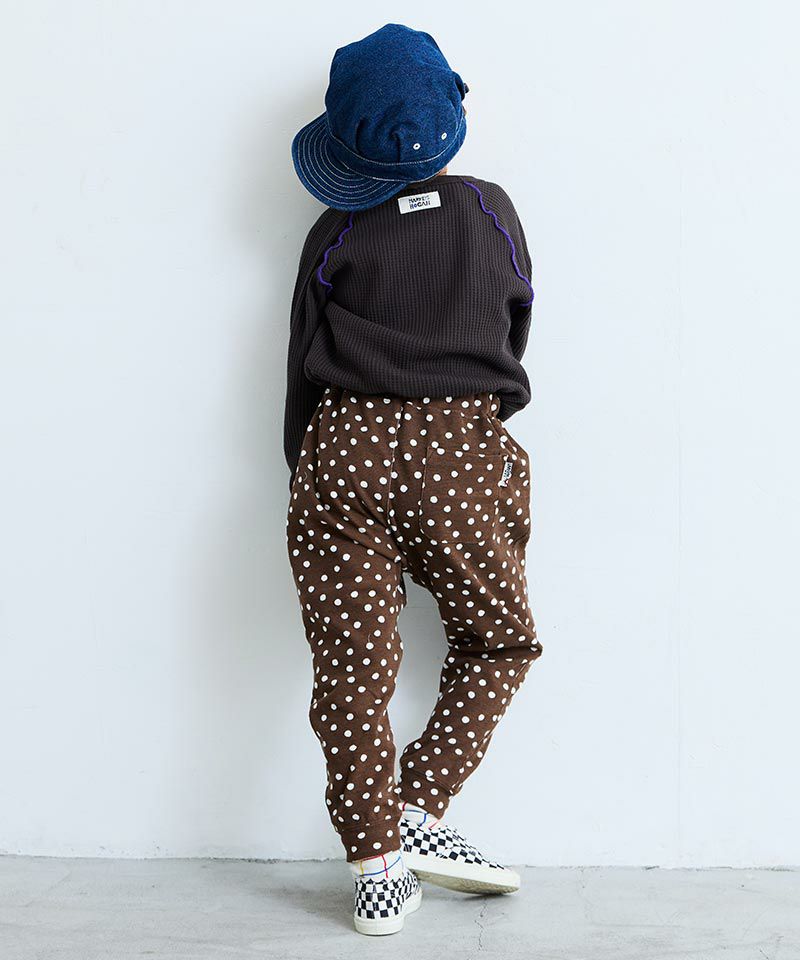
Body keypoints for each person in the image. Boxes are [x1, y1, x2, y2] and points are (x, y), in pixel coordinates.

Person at [284, 22, 541, 937]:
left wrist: (308, 472)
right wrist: (477, 426)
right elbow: (513, 326)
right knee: (498, 639)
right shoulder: (491, 210)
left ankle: (377, 867)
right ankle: (421, 807)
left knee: (352, 669)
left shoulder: (336, 228)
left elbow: (301, 360)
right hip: (459, 447)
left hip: (345, 445)